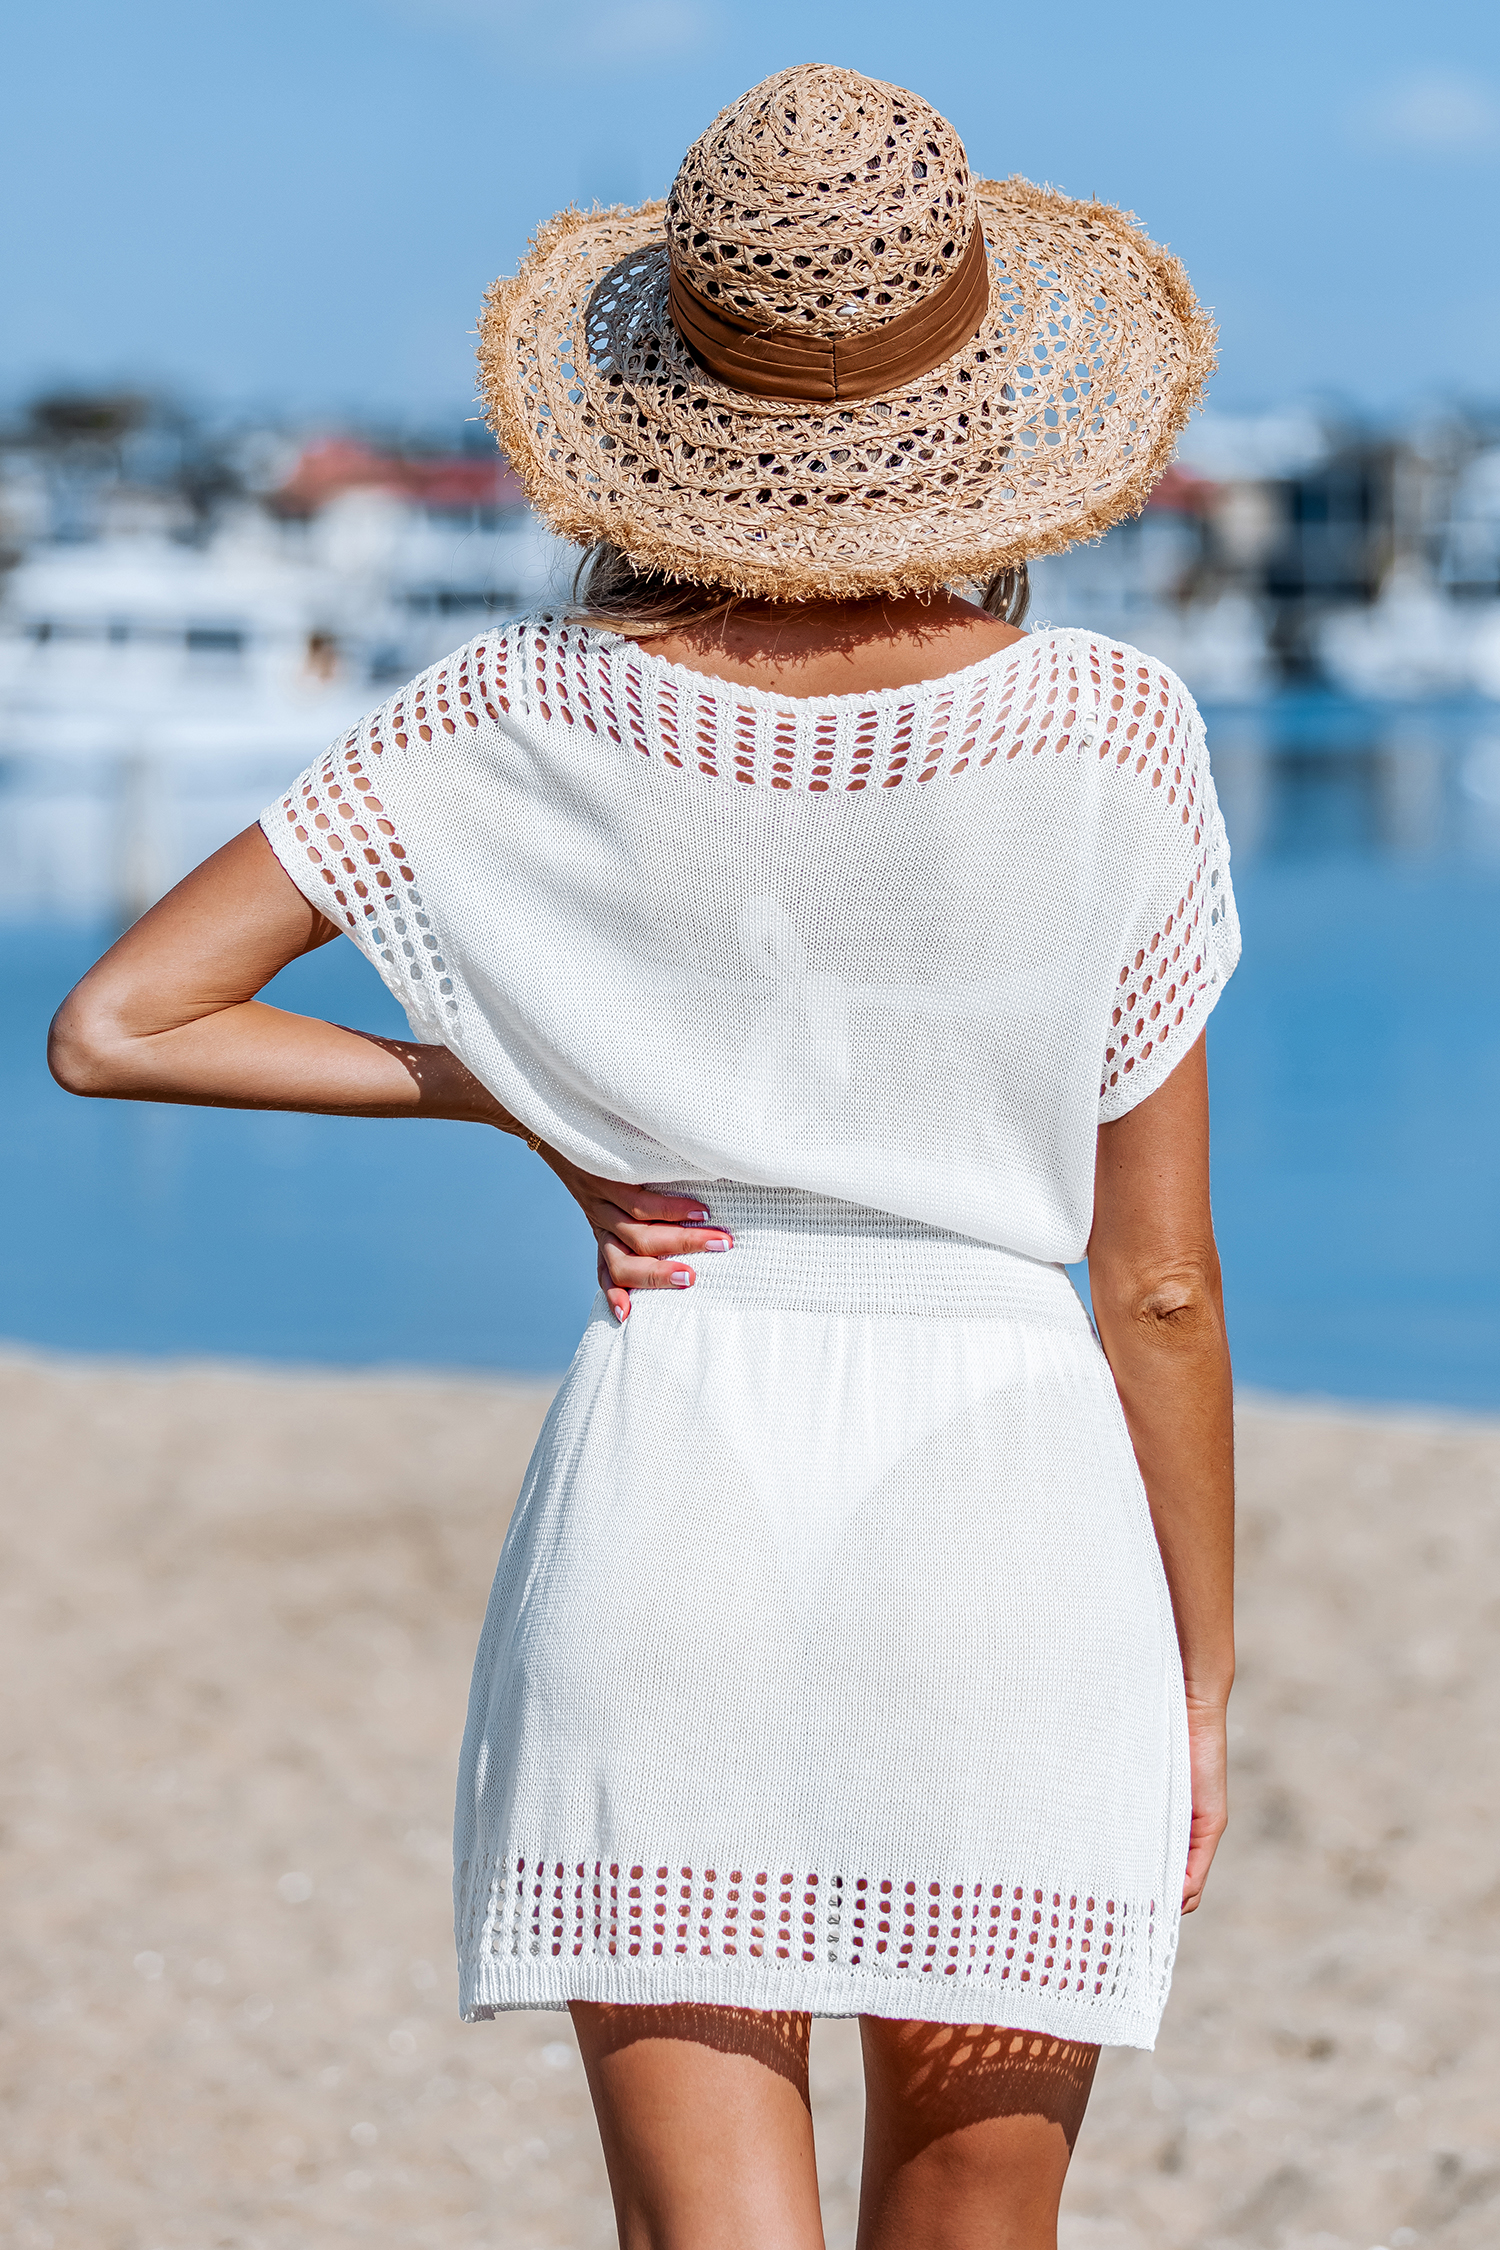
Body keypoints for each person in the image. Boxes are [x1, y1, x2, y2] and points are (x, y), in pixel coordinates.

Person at [50, 64, 1235, 2250]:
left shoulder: (508, 712)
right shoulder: (1110, 731)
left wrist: (528, 1089)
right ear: (979, 407)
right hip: (1011, 1501)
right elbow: (1158, 1281)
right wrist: (1202, 1671)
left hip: (677, 1468)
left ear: (668, 398)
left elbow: (121, 1025)